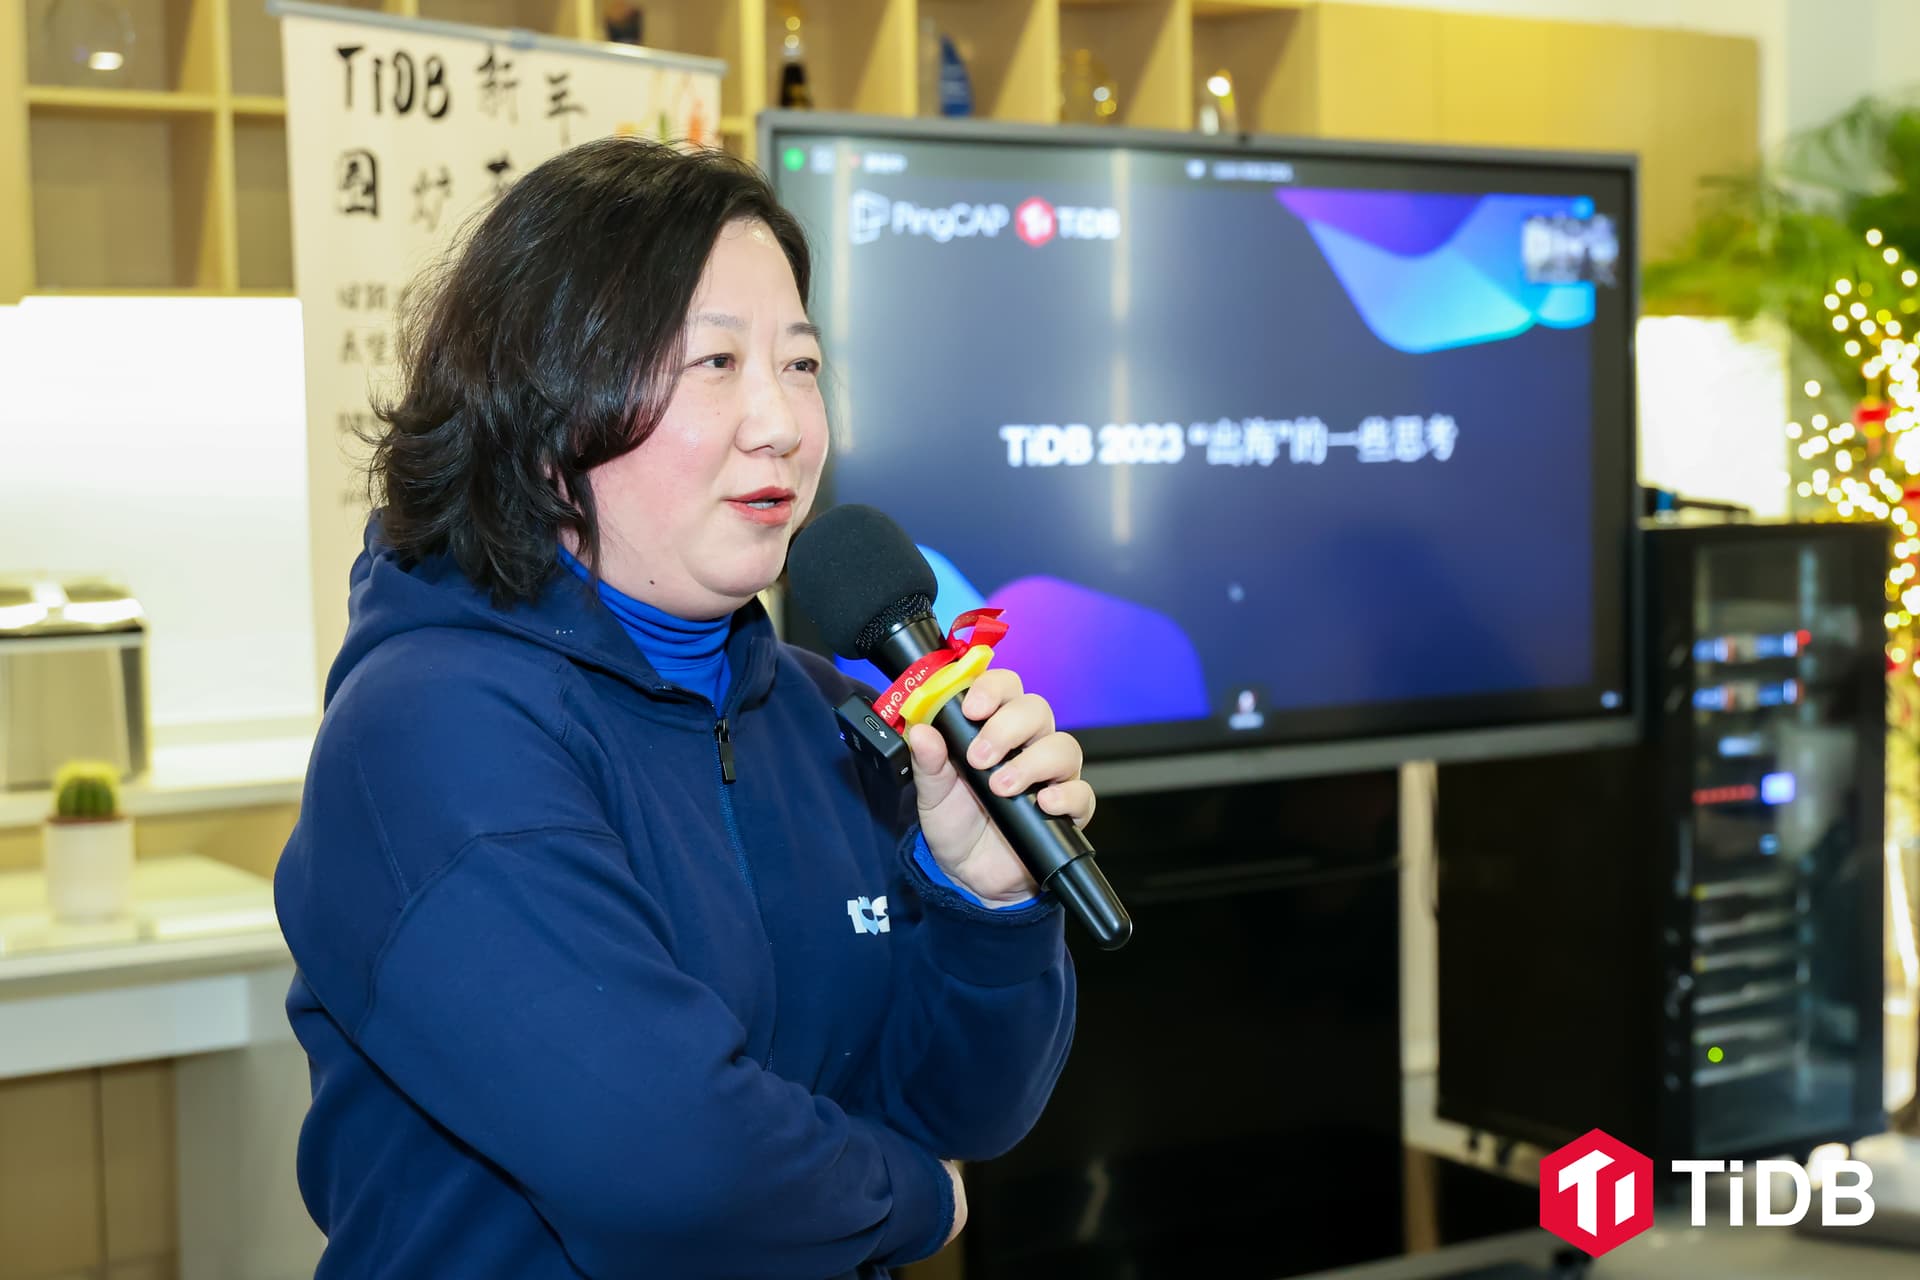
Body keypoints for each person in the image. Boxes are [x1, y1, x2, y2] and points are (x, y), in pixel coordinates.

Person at [273, 137, 1085, 1279]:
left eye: (801, 364)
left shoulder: (822, 713)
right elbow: (666, 1162)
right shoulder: (432, 730)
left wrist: (984, 899)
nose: (782, 422)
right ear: (546, 405)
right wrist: (917, 1200)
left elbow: (959, 1108)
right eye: (716, 361)